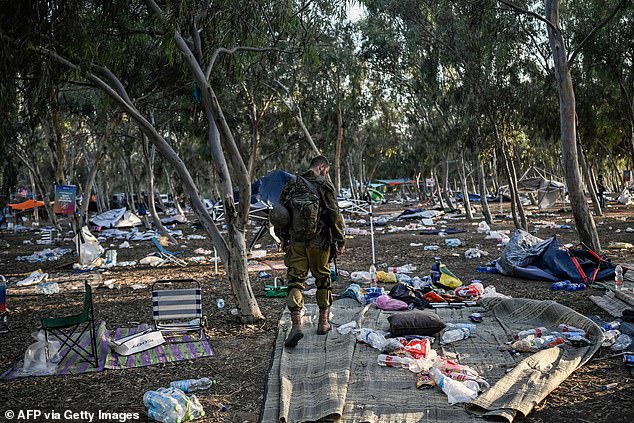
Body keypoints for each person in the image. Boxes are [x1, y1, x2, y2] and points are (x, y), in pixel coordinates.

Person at [276, 156, 345, 348]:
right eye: (327, 171)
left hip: (296, 242)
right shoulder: (324, 185)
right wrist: (340, 239)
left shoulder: (292, 183)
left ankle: (296, 325)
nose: (326, 174)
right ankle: (323, 322)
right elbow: (334, 214)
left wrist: (283, 239)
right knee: (323, 279)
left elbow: (281, 214)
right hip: (319, 242)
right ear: (322, 167)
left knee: (295, 282)